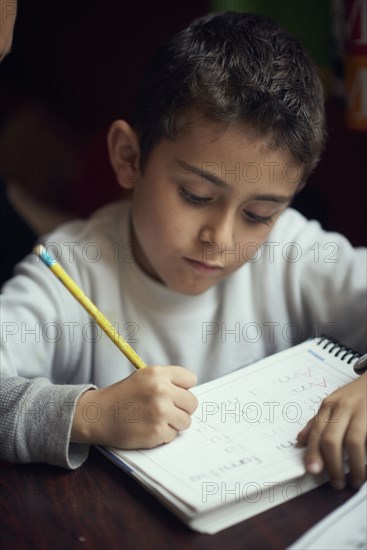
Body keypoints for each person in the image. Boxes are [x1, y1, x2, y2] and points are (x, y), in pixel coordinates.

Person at [1, 12, 366, 491]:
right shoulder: (70, 272)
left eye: (258, 214)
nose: (222, 238)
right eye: (196, 195)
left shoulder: (291, 250)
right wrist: (87, 413)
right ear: (130, 159)